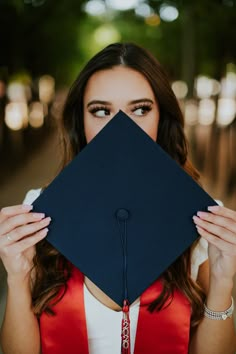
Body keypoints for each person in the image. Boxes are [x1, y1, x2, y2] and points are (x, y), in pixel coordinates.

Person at [0, 42, 236, 354]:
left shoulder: (198, 216)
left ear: (161, 118)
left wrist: (222, 283)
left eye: (140, 109)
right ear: (80, 121)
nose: (120, 127)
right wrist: (17, 279)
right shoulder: (42, 210)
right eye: (101, 110)